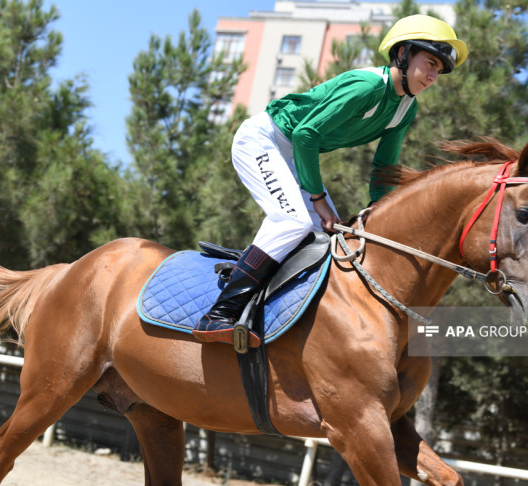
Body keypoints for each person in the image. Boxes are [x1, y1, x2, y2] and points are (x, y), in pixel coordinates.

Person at [193, 14, 468, 342]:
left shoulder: (405, 108)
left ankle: (268, 307)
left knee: (327, 239)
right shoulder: (368, 86)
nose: (434, 75)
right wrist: (318, 199)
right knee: (291, 222)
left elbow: (383, 167)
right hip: (265, 140)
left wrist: (380, 215)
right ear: (404, 53)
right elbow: (306, 135)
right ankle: (219, 314)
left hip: (295, 154)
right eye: (430, 63)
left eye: (440, 69)